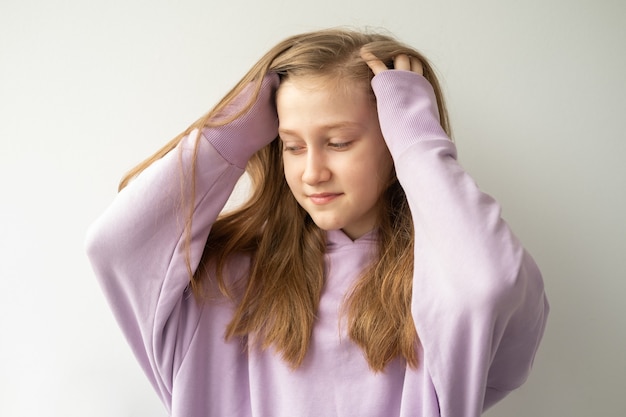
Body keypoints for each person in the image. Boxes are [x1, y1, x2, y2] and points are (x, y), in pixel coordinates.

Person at [85, 28, 549, 417]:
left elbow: (490, 283)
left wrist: (419, 142)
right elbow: (115, 248)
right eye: (292, 145)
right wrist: (230, 131)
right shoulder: (224, 284)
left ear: (392, 145)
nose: (312, 172)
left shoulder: (439, 294)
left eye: (340, 142)